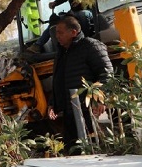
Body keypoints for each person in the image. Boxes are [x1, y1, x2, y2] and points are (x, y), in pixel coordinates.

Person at [47, 15, 113, 153]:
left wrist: (100, 99)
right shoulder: (61, 52)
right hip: (70, 112)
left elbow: (106, 73)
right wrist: (53, 104)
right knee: (73, 151)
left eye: (60, 32)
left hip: (89, 110)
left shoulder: (91, 46)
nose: (56, 36)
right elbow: (60, 80)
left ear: (73, 32)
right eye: (56, 32)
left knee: (95, 149)